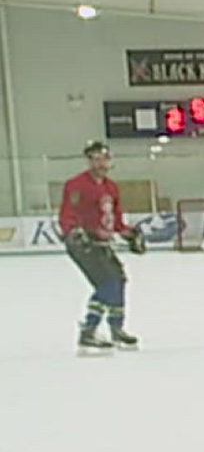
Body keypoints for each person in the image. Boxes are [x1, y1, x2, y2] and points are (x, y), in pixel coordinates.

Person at [56, 140, 145, 354]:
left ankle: (116, 329)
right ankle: (89, 332)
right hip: (84, 243)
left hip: (102, 243)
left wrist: (129, 234)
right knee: (107, 284)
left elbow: (115, 222)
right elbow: (67, 213)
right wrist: (73, 232)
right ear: (88, 161)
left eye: (103, 158)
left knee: (119, 281)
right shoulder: (76, 185)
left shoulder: (111, 188)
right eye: (95, 159)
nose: (100, 163)